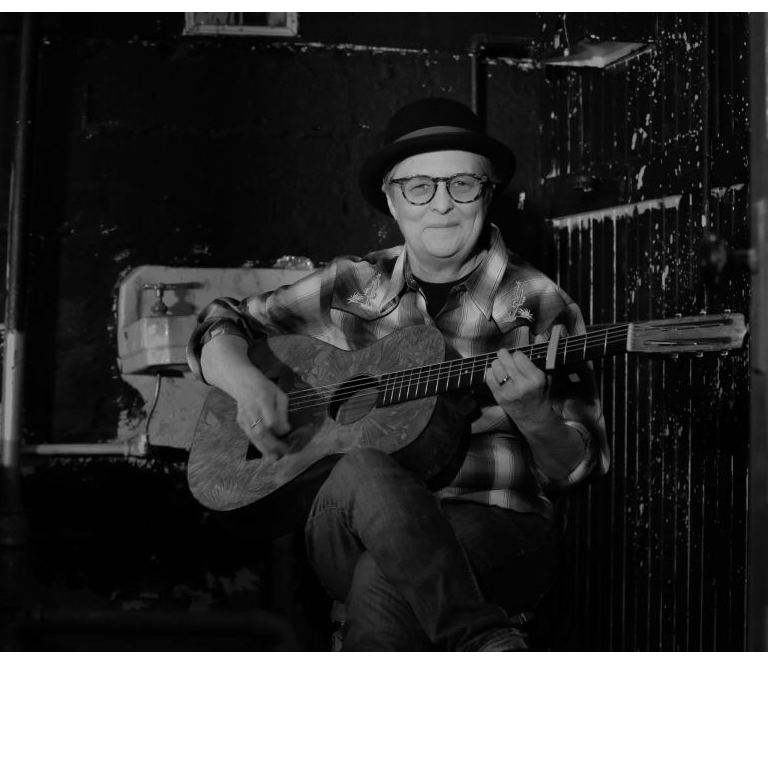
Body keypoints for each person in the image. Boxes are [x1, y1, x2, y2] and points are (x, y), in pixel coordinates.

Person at [187, 97, 609, 651]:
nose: (442, 204)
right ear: (391, 198)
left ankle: (479, 638)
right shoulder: (351, 284)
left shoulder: (538, 302)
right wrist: (245, 382)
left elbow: (577, 469)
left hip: (495, 524)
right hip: (345, 521)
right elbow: (220, 321)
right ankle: (484, 640)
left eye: (462, 184)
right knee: (362, 464)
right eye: (419, 187)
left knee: (381, 577)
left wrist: (534, 417)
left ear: (488, 193)